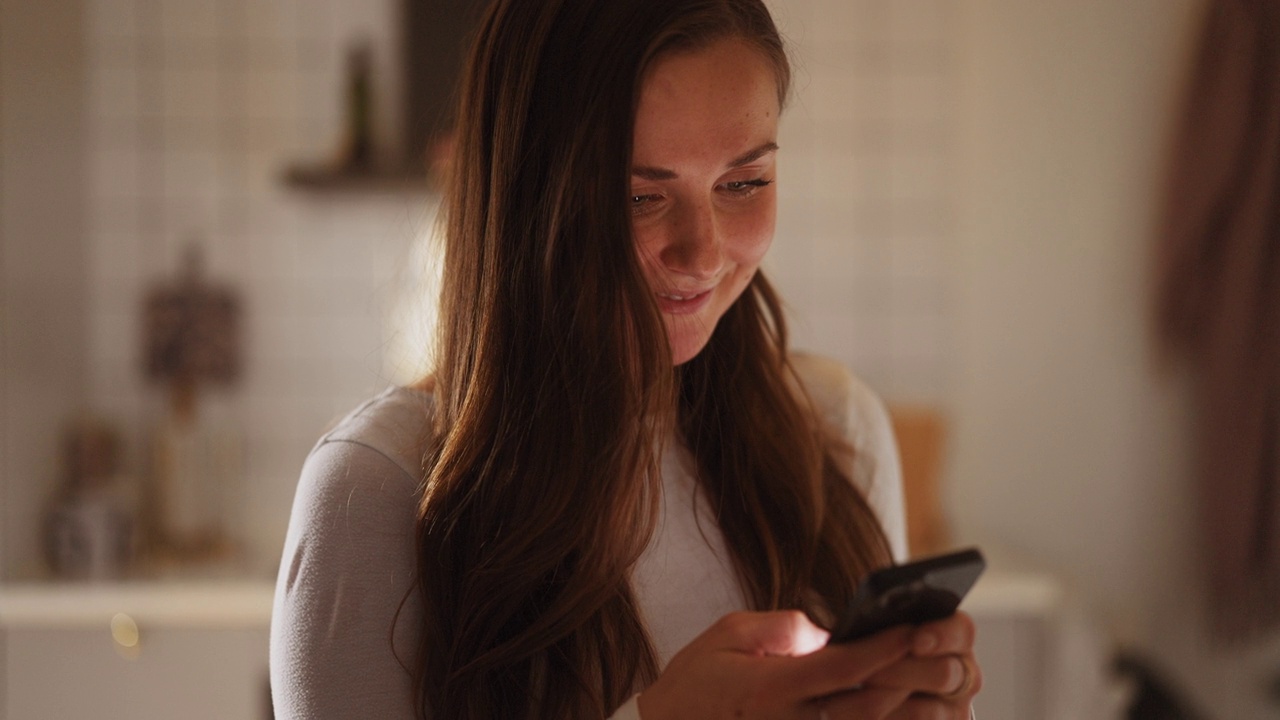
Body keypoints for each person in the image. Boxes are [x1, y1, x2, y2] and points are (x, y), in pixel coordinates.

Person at [270, 0, 982, 718]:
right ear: (526, 198)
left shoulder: (835, 428)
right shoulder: (375, 489)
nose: (701, 252)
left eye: (743, 184)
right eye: (640, 197)